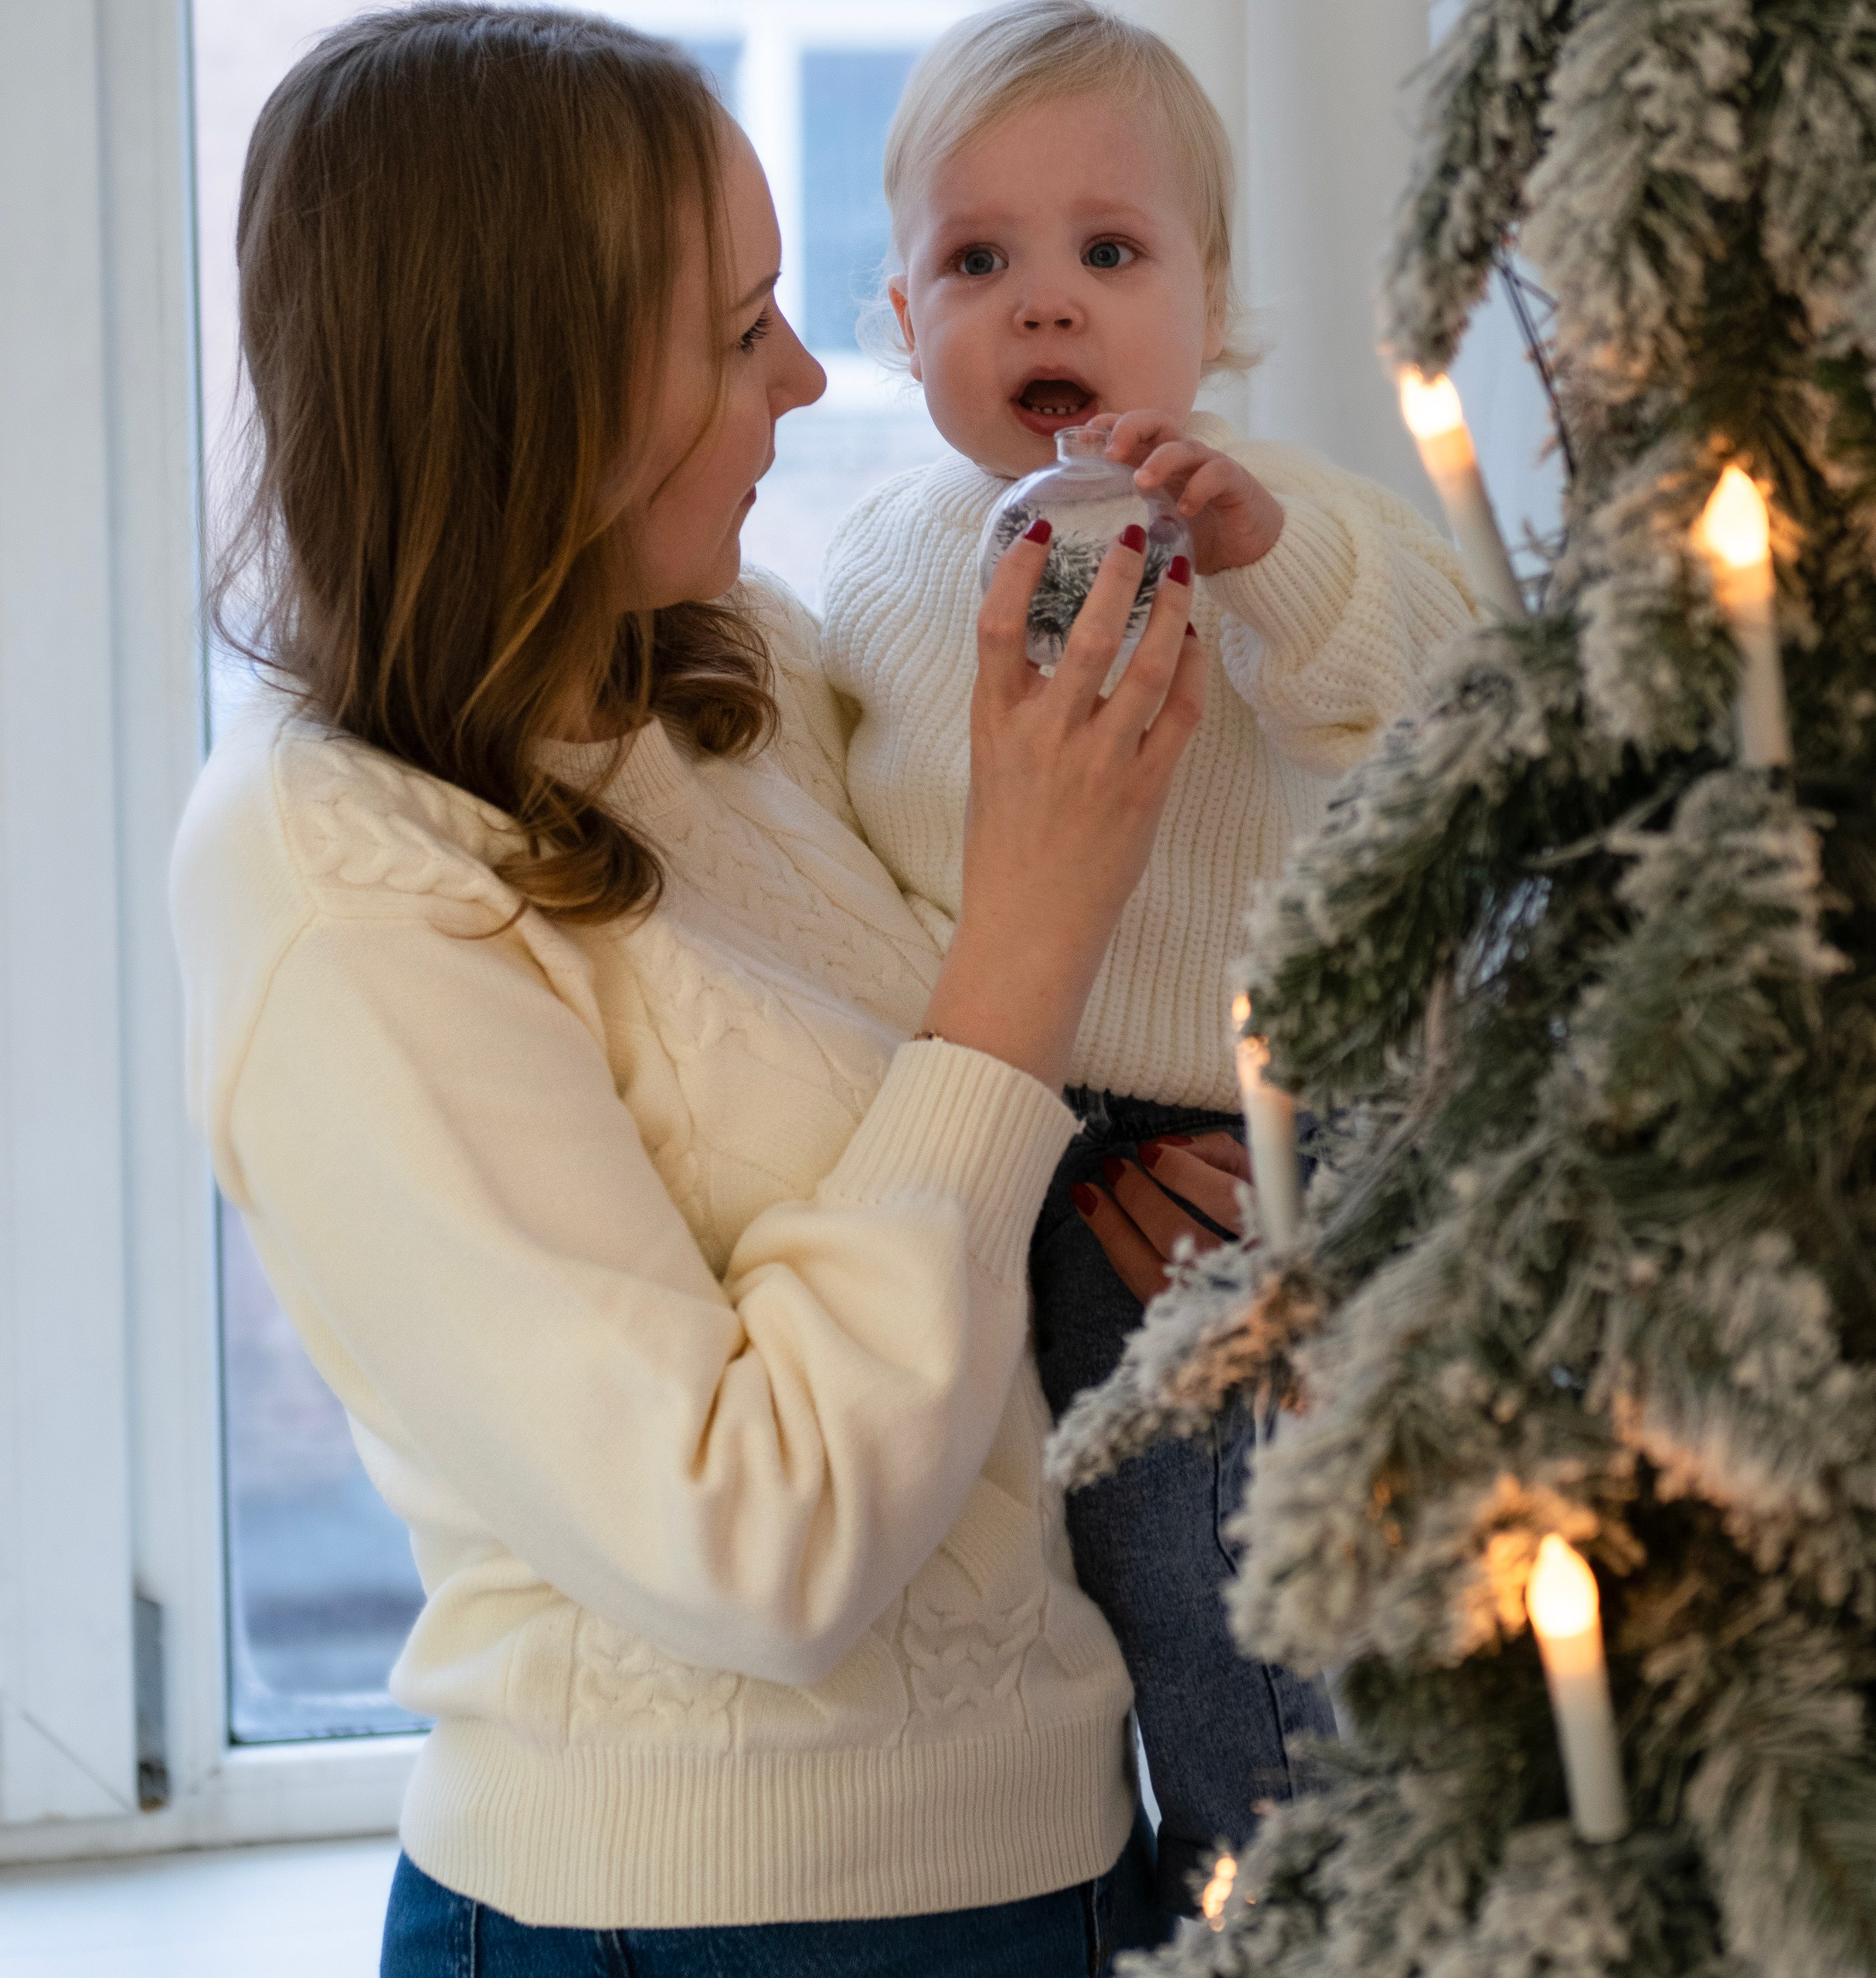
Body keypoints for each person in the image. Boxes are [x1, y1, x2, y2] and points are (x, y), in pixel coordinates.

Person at [171, 7, 1222, 1972]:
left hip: (1067, 1852)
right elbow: (757, 1541)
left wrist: (1129, 1173)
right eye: (740, 335)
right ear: (537, 395)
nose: (810, 376)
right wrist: (1031, 939)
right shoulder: (331, 872)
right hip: (678, 1925)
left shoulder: (733, 667)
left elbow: (955, 1142)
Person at [819, 0, 1477, 1914]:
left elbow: (1438, 682)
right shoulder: (876, 566)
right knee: (1035, 1603)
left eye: (1108, 252)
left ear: (1211, 302)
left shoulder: (1276, 515)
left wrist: (1264, 557)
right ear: (900, 316)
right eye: (977, 261)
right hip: (1000, 1147)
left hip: (1237, 1161)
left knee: (1233, 1611)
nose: (1044, 301)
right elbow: (852, 865)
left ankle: (1280, 1900)